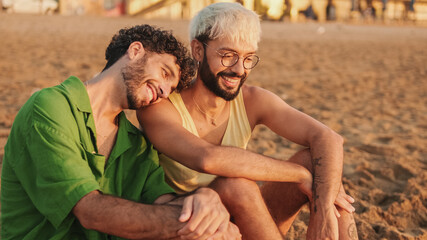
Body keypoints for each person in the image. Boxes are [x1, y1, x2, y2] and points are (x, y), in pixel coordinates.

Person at [138, 3, 358, 240]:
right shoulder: (160, 108)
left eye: (248, 58)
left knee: (320, 167)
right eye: (228, 55)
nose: (239, 69)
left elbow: (328, 137)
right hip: (193, 226)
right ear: (198, 51)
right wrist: (300, 175)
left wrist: (323, 207)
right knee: (237, 186)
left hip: (246, 222)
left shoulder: (253, 100)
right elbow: (208, 159)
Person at [1, 24, 241, 240]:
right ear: (135, 51)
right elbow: (89, 211)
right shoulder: (51, 106)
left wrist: (202, 199)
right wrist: (204, 226)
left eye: (171, 88)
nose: (165, 92)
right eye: (165, 73)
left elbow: (162, 199)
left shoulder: (136, 142)